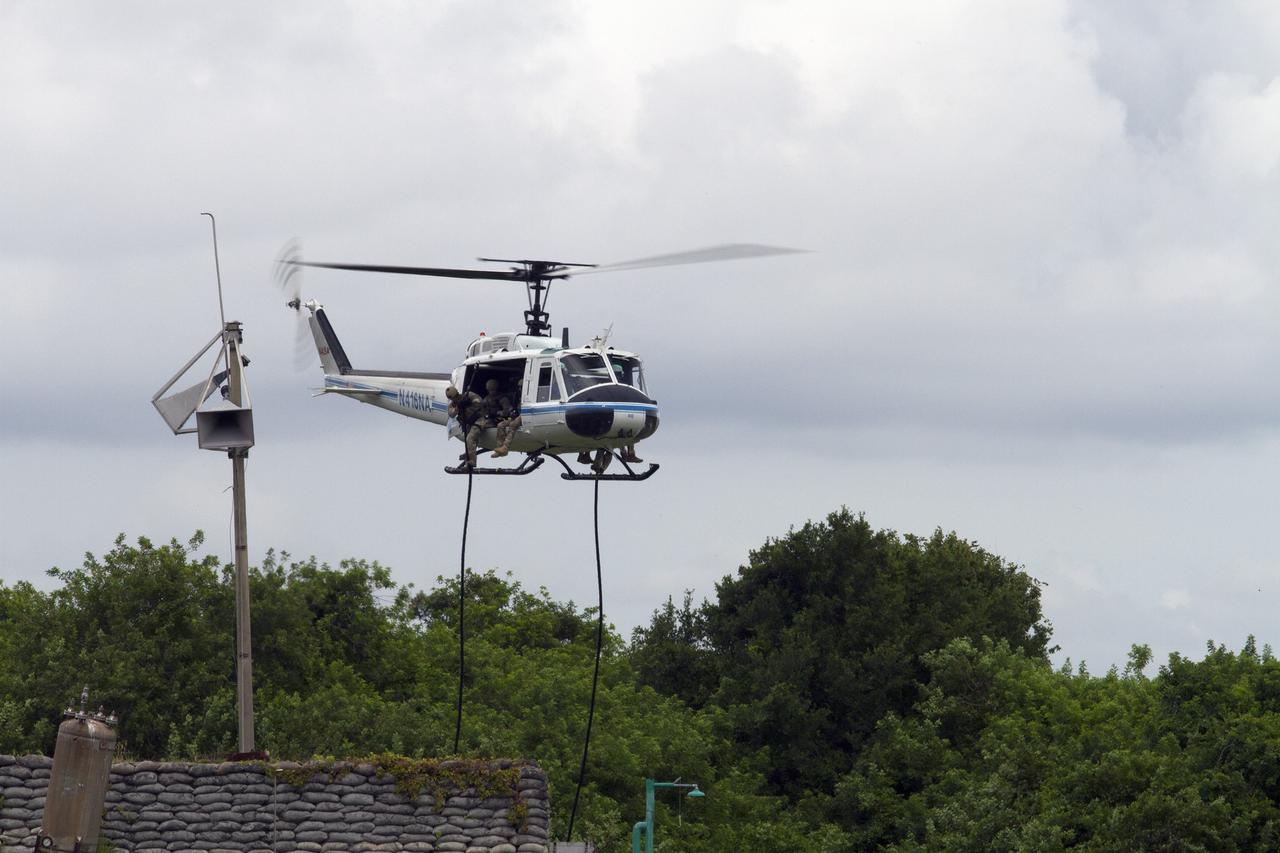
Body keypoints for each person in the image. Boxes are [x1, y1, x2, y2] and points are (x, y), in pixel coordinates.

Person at [445, 385, 484, 467]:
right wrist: (458, 407)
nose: (454, 399)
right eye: (452, 399)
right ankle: (468, 457)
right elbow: (451, 414)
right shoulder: (453, 404)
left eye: (455, 397)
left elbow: (480, 402)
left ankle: (472, 461)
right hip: (468, 424)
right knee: (468, 441)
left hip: (478, 421)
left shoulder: (468, 395)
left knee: (470, 439)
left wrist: (469, 402)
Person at [481, 379, 522, 458]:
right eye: (490, 390)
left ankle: (502, 448)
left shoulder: (502, 399)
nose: (491, 392)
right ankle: (498, 448)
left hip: (502, 418)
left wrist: (499, 413)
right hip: (490, 419)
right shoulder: (486, 399)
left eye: (493, 390)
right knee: (480, 426)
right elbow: (482, 410)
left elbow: (508, 410)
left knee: (501, 424)